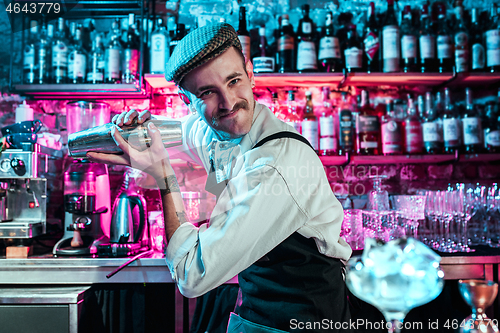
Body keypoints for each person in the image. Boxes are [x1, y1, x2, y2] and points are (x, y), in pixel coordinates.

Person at [87, 22, 352, 332]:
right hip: (259, 316)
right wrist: (130, 128)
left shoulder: (275, 163)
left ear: (251, 73)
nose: (228, 103)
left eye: (234, 80)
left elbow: (191, 276)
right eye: (207, 92)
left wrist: (163, 177)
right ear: (187, 101)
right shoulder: (217, 132)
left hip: (308, 320)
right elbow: (176, 132)